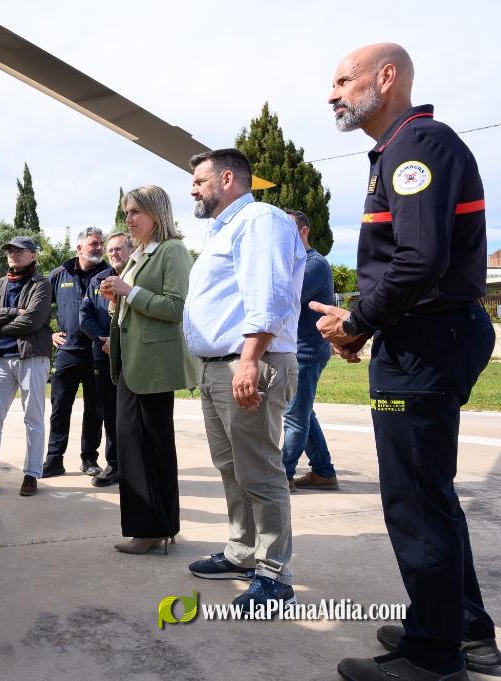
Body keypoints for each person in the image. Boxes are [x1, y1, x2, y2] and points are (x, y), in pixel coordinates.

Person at [320, 43, 501, 681]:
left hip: (425, 340)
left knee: (416, 501)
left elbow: (419, 259)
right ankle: (462, 628)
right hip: (426, 334)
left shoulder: (416, 146)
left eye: (344, 80)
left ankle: (433, 657)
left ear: (386, 77)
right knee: (431, 493)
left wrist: (358, 322)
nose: (333, 94)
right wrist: (363, 321)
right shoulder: (402, 149)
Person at [182, 149, 305, 607]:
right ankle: (242, 552)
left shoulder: (260, 220)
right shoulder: (225, 229)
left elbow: (267, 292)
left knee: (260, 468)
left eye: (199, 180)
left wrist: (251, 359)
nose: (192, 189)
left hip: (249, 361)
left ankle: (274, 575)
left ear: (227, 178)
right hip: (221, 366)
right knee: (232, 466)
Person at [98, 186, 197, 554]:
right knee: (135, 446)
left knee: (149, 448)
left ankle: (154, 529)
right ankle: (155, 527)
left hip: (152, 368)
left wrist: (129, 290)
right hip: (132, 364)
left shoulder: (173, 251)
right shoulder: (140, 254)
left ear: (157, 213)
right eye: (127, 212)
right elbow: (134, 308)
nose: (130, 218)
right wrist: (116, 300)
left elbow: (177, 307)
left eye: (136, 211)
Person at [0, 236, 53, 496]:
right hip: (2, 359)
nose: (13, 255)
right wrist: (12, 312)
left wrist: (1, 324)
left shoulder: (41, 283)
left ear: (32, 255)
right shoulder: (0, 283)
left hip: (32, 357)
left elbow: (33, 320)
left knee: (33, 418)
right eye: (10, 251)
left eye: (19, 251)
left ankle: (32, 474)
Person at [42, 227, 109, 478]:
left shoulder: (107, 274)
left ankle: (89, 459)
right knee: (60, 407)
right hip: (67, 352)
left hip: (97, 351)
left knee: (95, 408)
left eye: (100, 243)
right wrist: (48, 333)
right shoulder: (59, 274)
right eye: (93, 244)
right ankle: (54, 459)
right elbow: (38, 307)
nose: (99, 248)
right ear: (79, 248)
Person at [281, 210, 338, 492]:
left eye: (288, 230)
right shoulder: (296, 264)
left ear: (304, 232)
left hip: (306, 352)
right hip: (298, 350)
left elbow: (285, 298)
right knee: (303, 413)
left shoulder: (314, 265)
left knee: (294, 417)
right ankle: (324, 472)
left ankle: (283, 475)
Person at [80, 231, 133, 487]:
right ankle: (114, 465)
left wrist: (120, 342)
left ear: (132, 250)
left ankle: (137, 465)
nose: (113, 253)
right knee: (110, 412)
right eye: (110, 250)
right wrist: (104, 340)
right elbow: (85, 316)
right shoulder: (97, 280)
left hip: (136, 356)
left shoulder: (140, 276)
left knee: (137, 413)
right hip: (104, 356)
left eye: (119, 249)